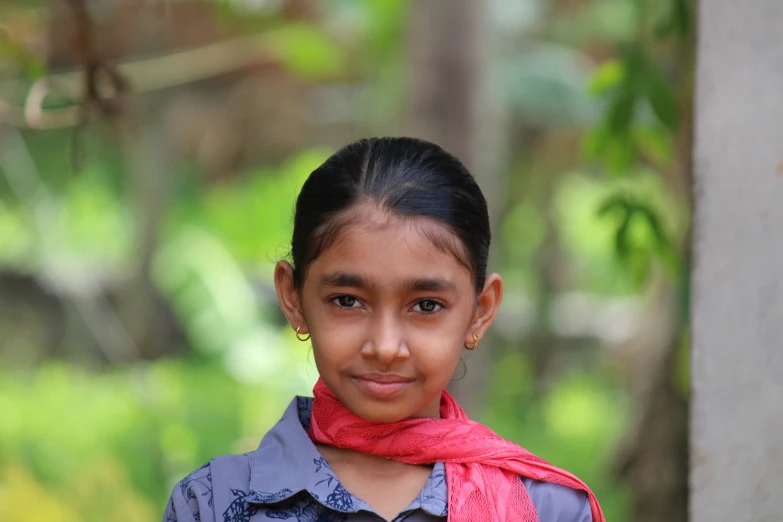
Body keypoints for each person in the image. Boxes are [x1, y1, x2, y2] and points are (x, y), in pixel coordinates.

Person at [163, 137, 605, 522]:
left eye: (426, 305)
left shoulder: (548, 509)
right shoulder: (214, 505)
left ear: (480, 311)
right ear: (293, 297)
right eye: (347, 301)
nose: (385, 347)